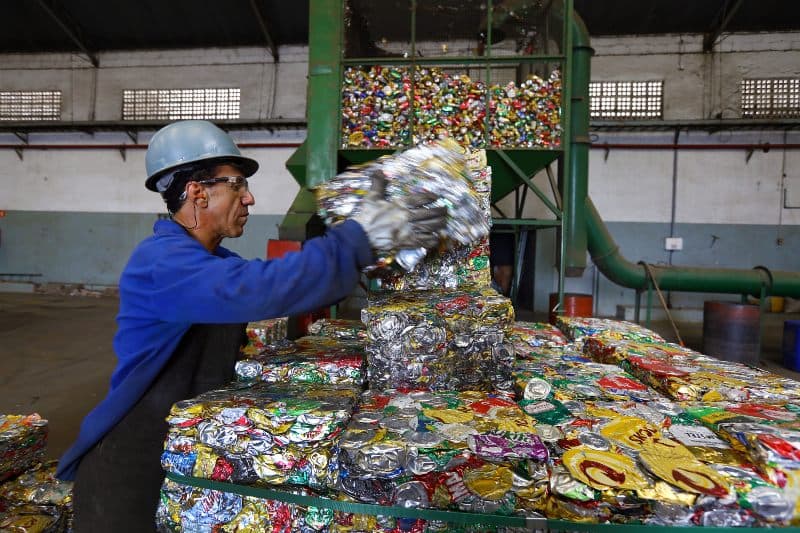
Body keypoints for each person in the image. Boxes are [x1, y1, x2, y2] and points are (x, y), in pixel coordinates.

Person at [56, 120, 447, 531]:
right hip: (129, 466)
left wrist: (377, 251)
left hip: (185, 443)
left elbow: (287, 286)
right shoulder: (160, 261)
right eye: (237, 185)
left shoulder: (217, 263)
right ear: (197, 193)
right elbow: (257, 289)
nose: (250, 198)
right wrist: (356, 238)